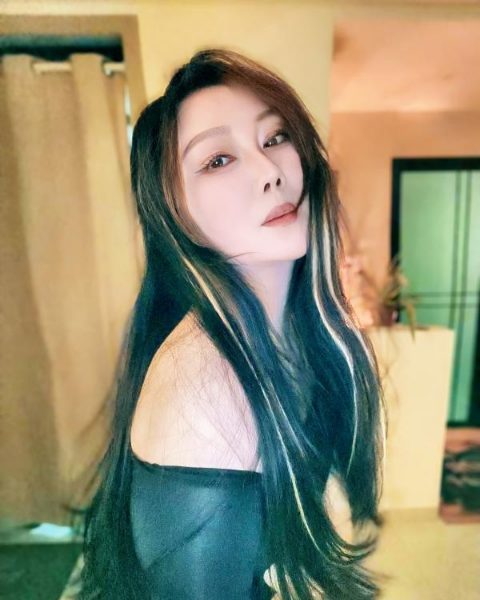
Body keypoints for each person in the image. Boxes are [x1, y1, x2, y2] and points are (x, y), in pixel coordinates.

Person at [78, 48, 388, 600]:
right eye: (218, 160)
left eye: (275, 137)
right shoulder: (204, 385)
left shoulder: (296, 331)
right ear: (174, 211)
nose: (270, 172)